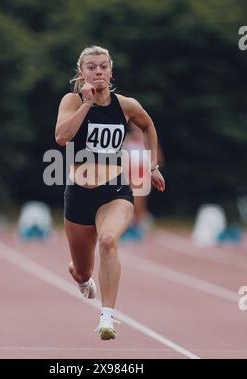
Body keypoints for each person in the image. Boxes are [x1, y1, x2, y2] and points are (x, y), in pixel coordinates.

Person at [55, 45, 165, 340]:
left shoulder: (126, 105)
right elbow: (62, 137)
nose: (99, 71)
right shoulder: (72, 100)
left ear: (111, 71)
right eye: (92, 67)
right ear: (82, 73)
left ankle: (107, 318)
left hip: (115, 191)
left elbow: (148, 125)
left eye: (104, 66)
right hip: (79, 194)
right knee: (81, 271)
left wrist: (151, 165)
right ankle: (80, 275)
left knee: (107, 240)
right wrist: (87, 105)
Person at [121, 123, 165, 240]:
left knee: (138, 204)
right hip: (128, 175)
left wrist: (152, 170)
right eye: (135, 126)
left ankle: (138, 228)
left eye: (139, 126)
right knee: (127, 203)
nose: (137, 129)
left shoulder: (148, 141)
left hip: (142, 175)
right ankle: (131, 227)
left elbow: (159, 158)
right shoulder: (127, 139)